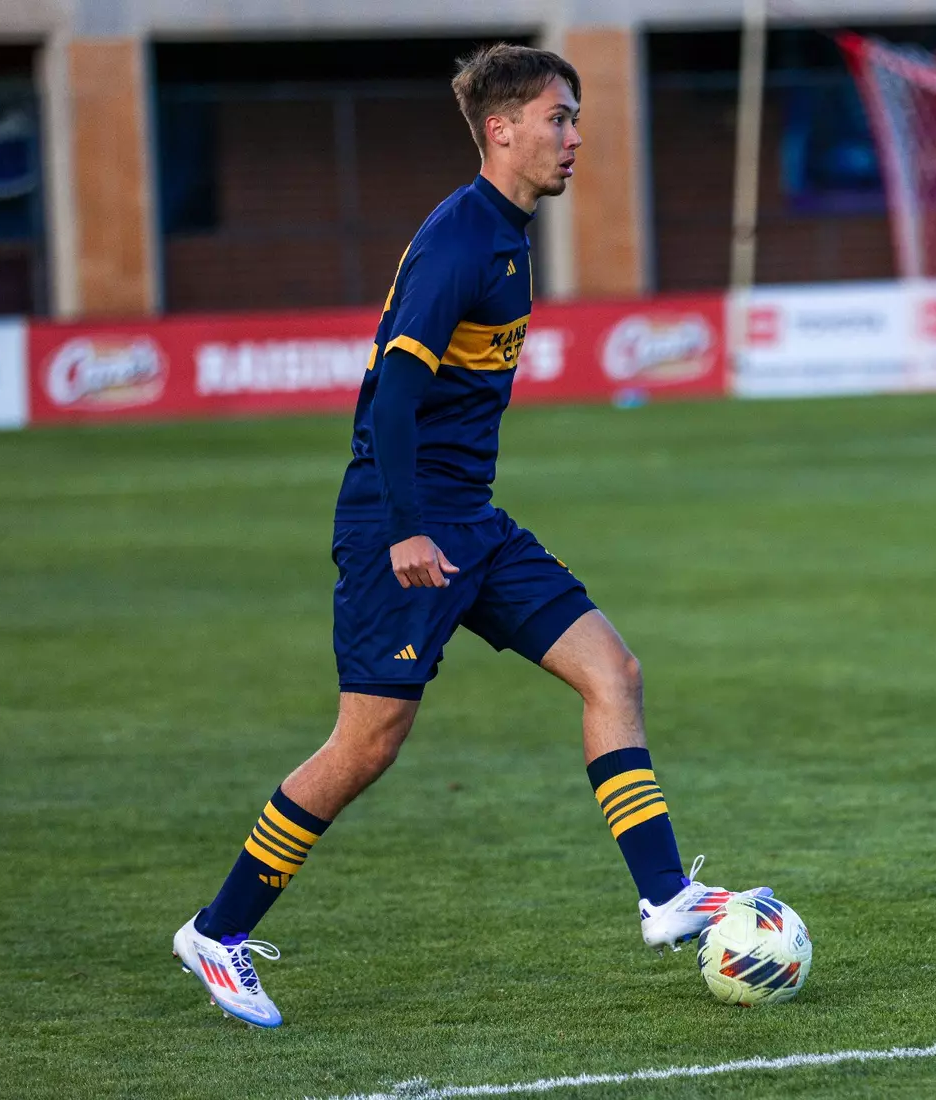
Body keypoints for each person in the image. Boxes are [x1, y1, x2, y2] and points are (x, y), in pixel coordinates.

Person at [170, 43, 766, 1029]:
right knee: (367, 743)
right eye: (558, 118)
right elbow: (393, 396)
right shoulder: (460, 238)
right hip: (402, 524)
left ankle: (664, 898)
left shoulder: (507, 232)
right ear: (502, 129)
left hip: (471, 522)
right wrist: (405, 525)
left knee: (611, 668)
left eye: (575, 119)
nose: (575, 138)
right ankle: (216, 931)